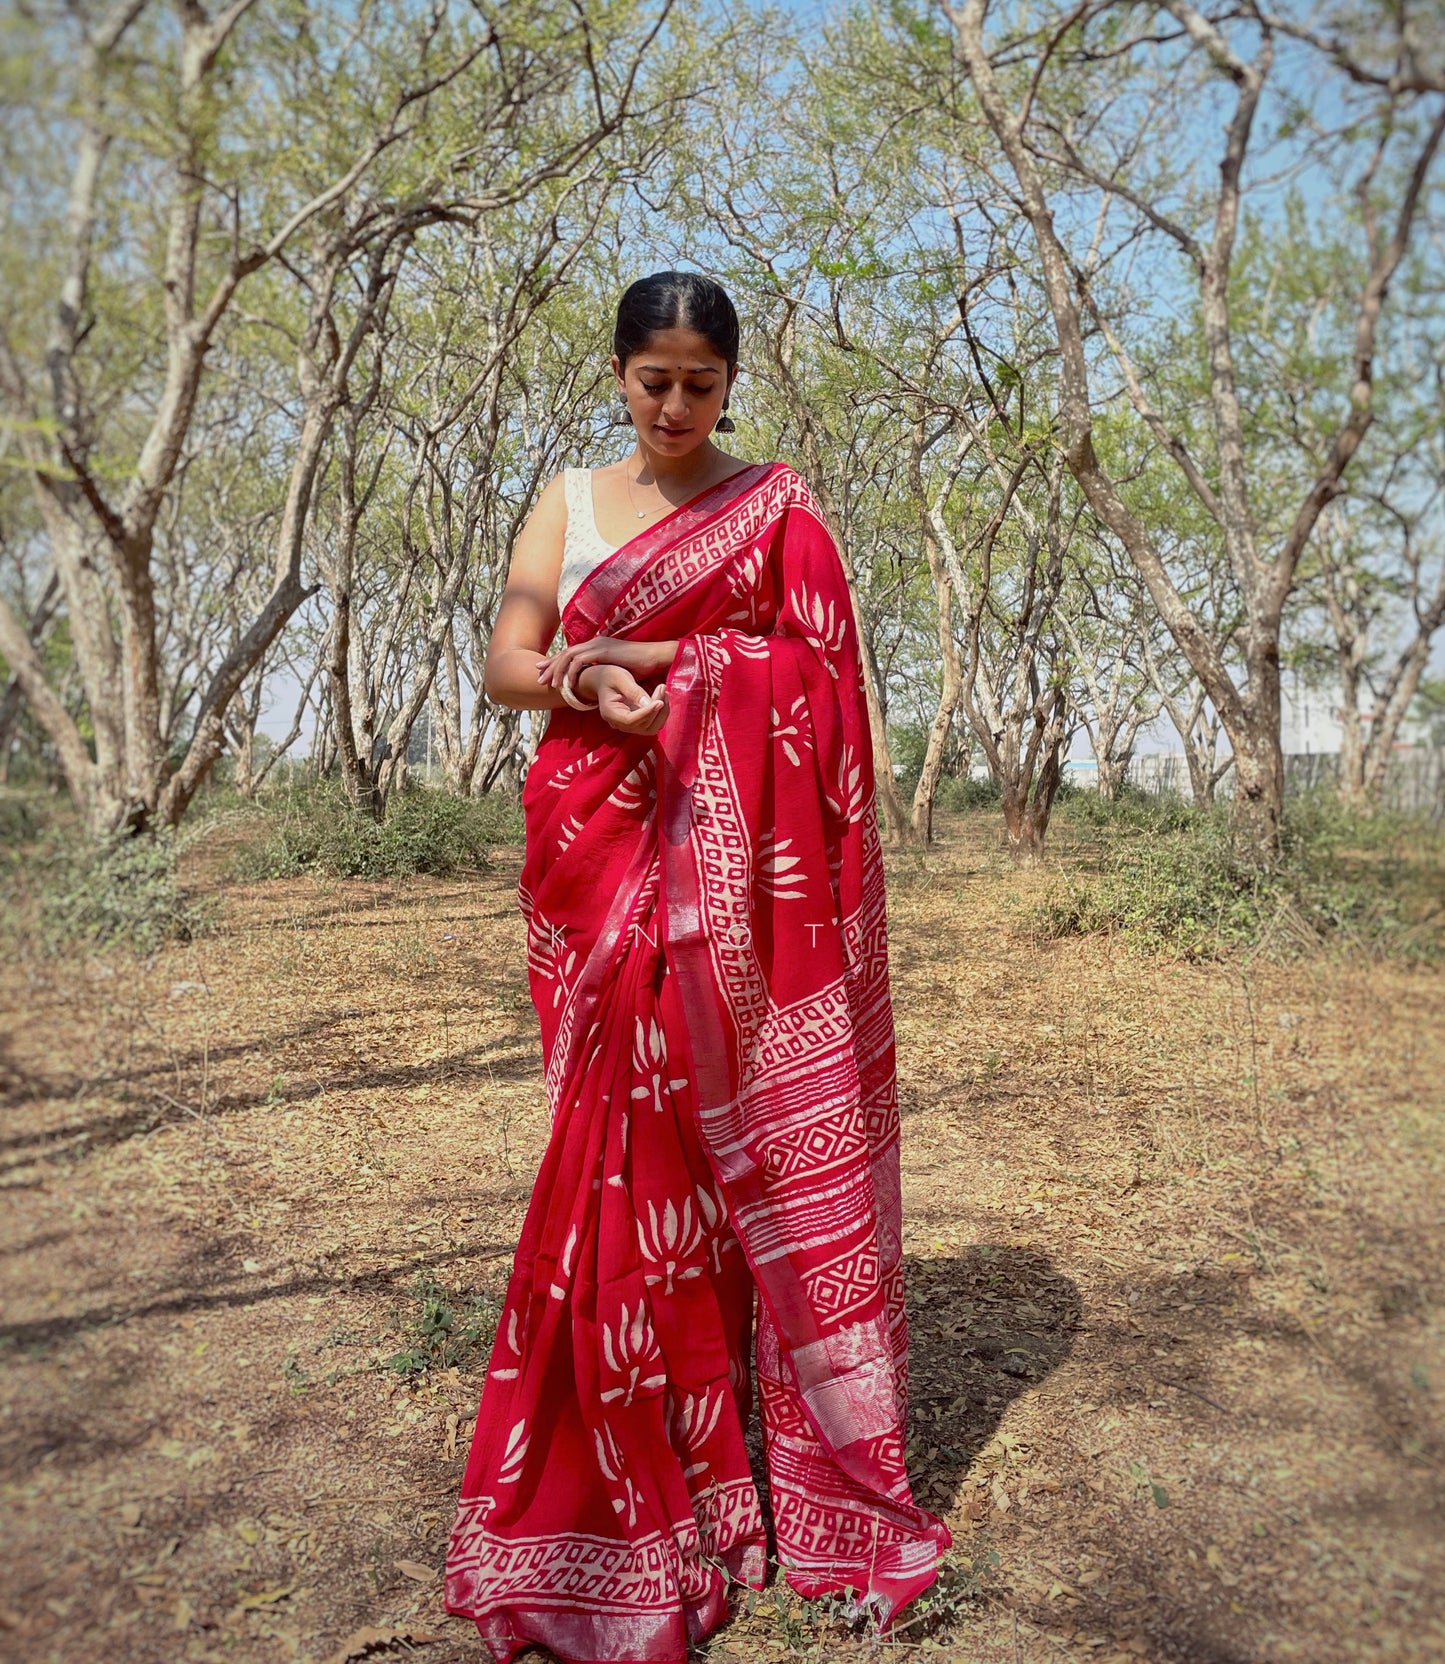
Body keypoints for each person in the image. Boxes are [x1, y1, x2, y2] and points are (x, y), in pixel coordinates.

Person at [444, 270, 950, 1664]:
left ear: (733, 382)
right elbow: (508, 656)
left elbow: (815, 673)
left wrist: (651, 652)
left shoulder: (776, 508)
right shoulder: (569, 497)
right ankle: (642, 1449)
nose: (674, 408)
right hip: (592, 850)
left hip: (733, 881)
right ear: (617, 373)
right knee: (617, 1155)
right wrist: (579, 680)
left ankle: (747, 1456)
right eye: (652, 382)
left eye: (701, 386)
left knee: (711, 1157)